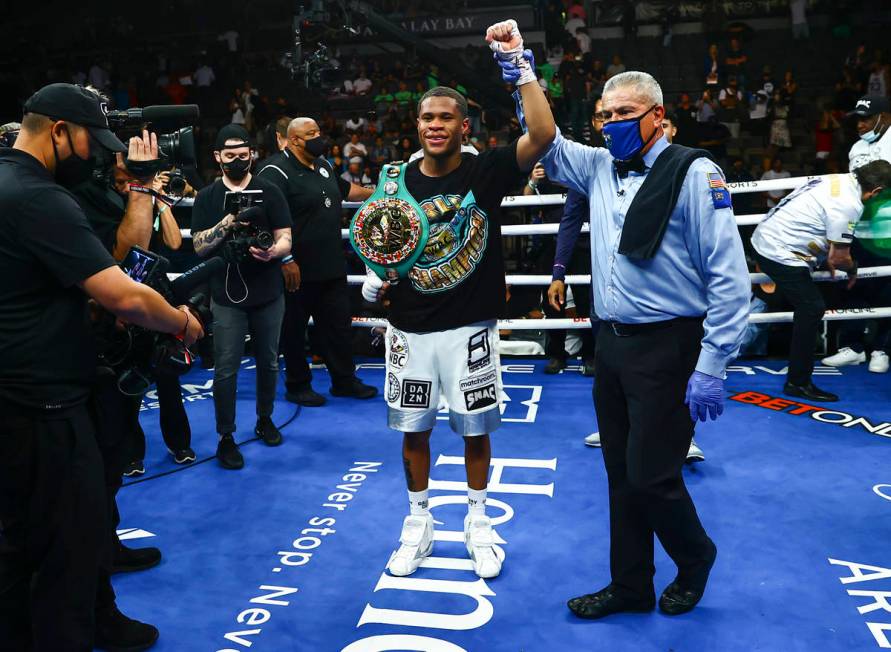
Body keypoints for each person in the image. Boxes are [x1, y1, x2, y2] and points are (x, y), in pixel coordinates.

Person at [0, 82, 203, 652]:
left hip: (22, 393)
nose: (95, 155)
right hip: (44, 403)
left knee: (25, 544)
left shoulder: (8, 181)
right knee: (67, 547)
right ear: (60, 131)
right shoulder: (37, 196)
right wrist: (183, 325)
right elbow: (128, 296)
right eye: (91, 139)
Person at [542, 71, 750, 619]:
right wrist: (519, 70)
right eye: (605, 115)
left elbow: (729, 278)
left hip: (669, 346)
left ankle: (696, 554)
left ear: (658, 114)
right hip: (610, 344)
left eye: (625, 113)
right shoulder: (596, 167)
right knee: (620, 475)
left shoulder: (695, 172)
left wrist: (712, 363)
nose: (613, 124)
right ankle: (630, 585)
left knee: (651, 476)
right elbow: (543, 136)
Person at [361, 19, 556, 580]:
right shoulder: (393, 177)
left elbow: (541, 135)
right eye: (427, 117)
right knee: (413, 432)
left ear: (462, 125)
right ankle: (419, 523)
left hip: (469, 329)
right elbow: (382, 240)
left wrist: (518, 64)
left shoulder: (485, 168)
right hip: (408, 330)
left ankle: (478, 522)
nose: (435, 125)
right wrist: (375, 279)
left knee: (475, 432)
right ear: (416, 125)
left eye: (446, 117)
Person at [191, 125, 293, 469]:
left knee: (268, 362)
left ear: (253, 153)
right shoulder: (207, 196)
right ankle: (226, 436)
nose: (237, 160)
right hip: (226, 292)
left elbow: (285, 238)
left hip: (267, 289)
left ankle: (265, 419)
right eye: (230, 154)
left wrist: (274, 252)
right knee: (226, 369)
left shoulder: (271, 190)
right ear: (218, 156)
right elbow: (199, 247)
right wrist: (229, 222)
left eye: (243, 153)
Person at [257, 118, 378, 407]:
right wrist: (285, 258)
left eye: (319, 132)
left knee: (337, 326)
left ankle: (344, 381)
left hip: (331, 264)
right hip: (295, 268)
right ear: (294, 140)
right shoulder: (275, 171)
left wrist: (379, 193)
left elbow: (344, 191)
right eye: (311, 134)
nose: (318, 138)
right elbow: (265, 218)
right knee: (295, 329)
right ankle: (298, 385)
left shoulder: (323, 164)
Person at [752, 161, 891, 401]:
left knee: (808, 304)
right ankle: (798, 383)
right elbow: (839, 258)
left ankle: (798, 377)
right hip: (780, 251)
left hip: (766, 237)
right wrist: (853, 269)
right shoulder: (850, 205)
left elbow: (820, 223)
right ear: (876, 191)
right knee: (812, 307)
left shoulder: (836, 179)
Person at [848, 95, 891, 170]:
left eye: (865, 119)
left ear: (884, 117)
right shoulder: (857, 147)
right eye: (858, 119)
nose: (859, 125)